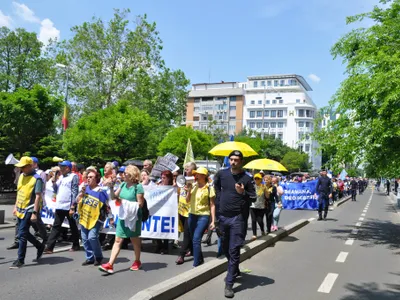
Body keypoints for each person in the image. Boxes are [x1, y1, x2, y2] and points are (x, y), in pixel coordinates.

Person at [213, 150, 256, 298]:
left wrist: (243, 193)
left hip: (238, 219)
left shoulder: (247, 178)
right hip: (223, 217)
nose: (233, 162)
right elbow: (216, 188)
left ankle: (229, 283)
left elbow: (254, 197)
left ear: (241, 161)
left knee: (234, 250)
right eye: (231, 159)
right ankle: (235, 268)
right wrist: (219, 204)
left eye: (236, 160)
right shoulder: (222, 174)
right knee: (224, 247)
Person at [99, 165, 144, 274]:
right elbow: (114, 197)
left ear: (132, 174)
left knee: (134, 240)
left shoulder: (138, 187)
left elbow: (140, 204)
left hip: (134, 217)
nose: (123, 174)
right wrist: (111, 187)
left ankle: (137, 261)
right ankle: (110, 264)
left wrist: (124, 202)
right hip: (123, 216)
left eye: (126, 173)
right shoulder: (123, 184)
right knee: (118, 239)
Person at [10, 157, 45, 269]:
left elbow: (38, 196)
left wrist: (35, 212)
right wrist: (15, 206)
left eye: (24, 167)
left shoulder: (37, 179)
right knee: (23, 233)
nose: (22, 169)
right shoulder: (21, 176)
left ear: (31, 166)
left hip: (29, 208)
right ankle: (39, 245)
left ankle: (20, 260)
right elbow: (19, 192)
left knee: (22, 234)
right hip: (20, 207)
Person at [44, 160, 80, 253]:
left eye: (62, 167)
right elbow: (56, 190)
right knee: (56, 226)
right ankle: (49, 247)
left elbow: (74, 191)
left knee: (72, 226)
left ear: (67, 168)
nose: (60, 169)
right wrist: (54, 181)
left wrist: (73, 206)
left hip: (69, 205)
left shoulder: (73, 177)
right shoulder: (60, 178)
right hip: (60, 205)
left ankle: (76, 244)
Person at [76, 169, 108, 266]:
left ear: (96, 179)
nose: (88, 179)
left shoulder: (101, 191)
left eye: (91, 177)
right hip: (85, 217)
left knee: (92, 237)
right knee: (85, 239)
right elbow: (77, 200)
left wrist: (109, 218)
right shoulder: (85, 188)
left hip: (95, 219)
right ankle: (89, 257)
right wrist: (81, 194)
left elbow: (107, 206)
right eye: (87, 177)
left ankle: (98, 257)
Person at [185, 167, 216, 267]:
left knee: (196, 238)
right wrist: (188, 191)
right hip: (192, 215)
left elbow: (212, 205)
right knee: (194, 238)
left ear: (204, 176)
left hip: (203, 216)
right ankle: (200, 259)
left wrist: (213, 221)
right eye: (195, 174)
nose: (196, 176)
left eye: (198, 174)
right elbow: (187, 201)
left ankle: (196, 263)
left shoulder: (209, 188)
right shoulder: (193, 186)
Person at [176, 162, 196, 265]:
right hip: (181, 210)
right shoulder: (181, 180)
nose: (185, 171)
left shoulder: (195, 181)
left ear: (192, 170)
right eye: (185, 169)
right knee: (187, 232)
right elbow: (179, 193)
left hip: (190, 211)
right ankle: (192, 250)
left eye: (187, 169)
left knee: (187, 234)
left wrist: (189, 189)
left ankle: (181, 255)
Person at [155, 170, 174, 254]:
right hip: (158, 210)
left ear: (169, 178)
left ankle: (165, 247)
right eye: (161, 177)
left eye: (164, 178)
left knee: (165, 229)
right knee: (156, 228)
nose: (162, 179)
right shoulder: (159, 185)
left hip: (168, 210)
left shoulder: (172, 187)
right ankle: (159, 245)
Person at [250, 173, 267, 239]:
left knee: (260, 220)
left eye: (258, 178)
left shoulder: (263, 186)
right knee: (253, 220)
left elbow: (267, 196)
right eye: (255, 178)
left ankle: (262, 230)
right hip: (253, 206)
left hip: (261, 206)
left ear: (261, 179)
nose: (256, 180)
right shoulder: (252, 186)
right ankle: (254, 234)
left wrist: (266, 191)